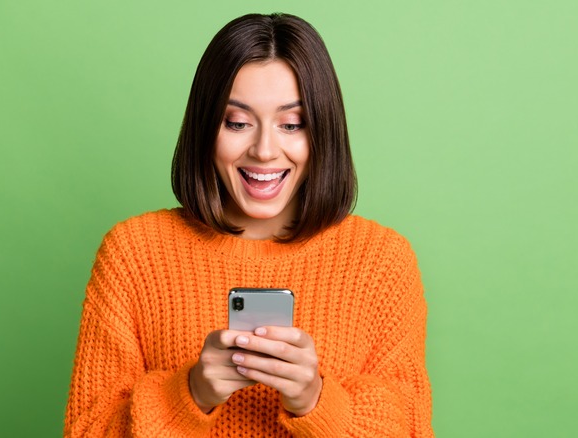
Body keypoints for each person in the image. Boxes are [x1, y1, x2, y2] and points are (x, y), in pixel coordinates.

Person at [64, 12, 433, 437]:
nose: (263, 150)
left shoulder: (382, 261)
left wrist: (315, 400)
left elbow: (411, 428)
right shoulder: (133, 253)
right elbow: (87, 431)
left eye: (292, 124)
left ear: (323, 132)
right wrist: (191, 393)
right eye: (237, 122)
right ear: (206, 127)